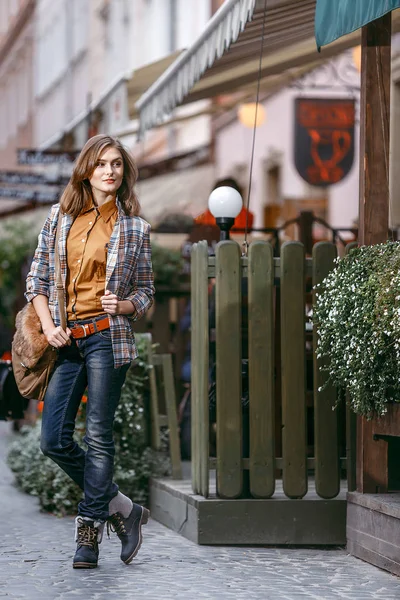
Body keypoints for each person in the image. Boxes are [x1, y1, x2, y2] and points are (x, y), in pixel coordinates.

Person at [25, 134, 155, 569]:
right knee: (53, 440)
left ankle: (89, 534)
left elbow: (146, 289)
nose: (110, 171)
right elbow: (37, 281)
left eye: (117, 164)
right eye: (102, 164)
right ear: (86, 169)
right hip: (67, 341)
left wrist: (126, 305)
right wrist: (49, 326)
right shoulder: (60, 219)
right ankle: (121, 507)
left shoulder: (135, 227)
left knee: (98, 436)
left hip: (107, 339)